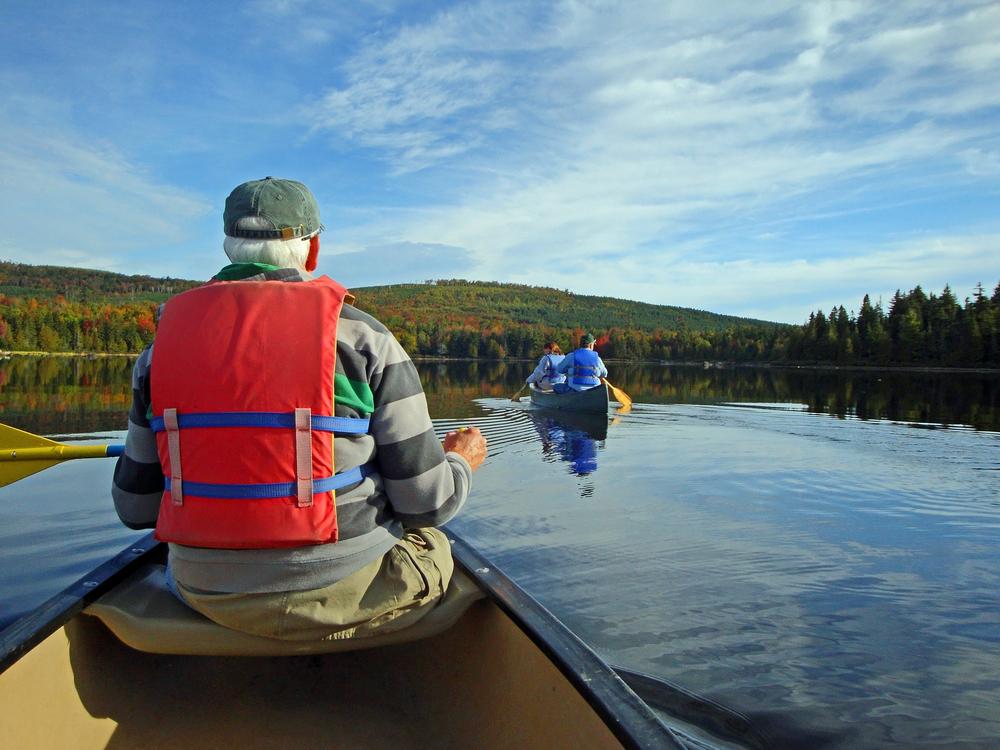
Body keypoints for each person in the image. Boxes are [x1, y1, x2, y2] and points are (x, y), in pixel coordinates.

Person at [111, 176, 487, 641]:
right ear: (312, 251)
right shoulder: (364, 337)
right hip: (350, 586)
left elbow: (134, 508)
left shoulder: (158, 351)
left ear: (229, 246)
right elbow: (426, 503)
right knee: (434, 543)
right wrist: (460, 463)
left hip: (206, 592)